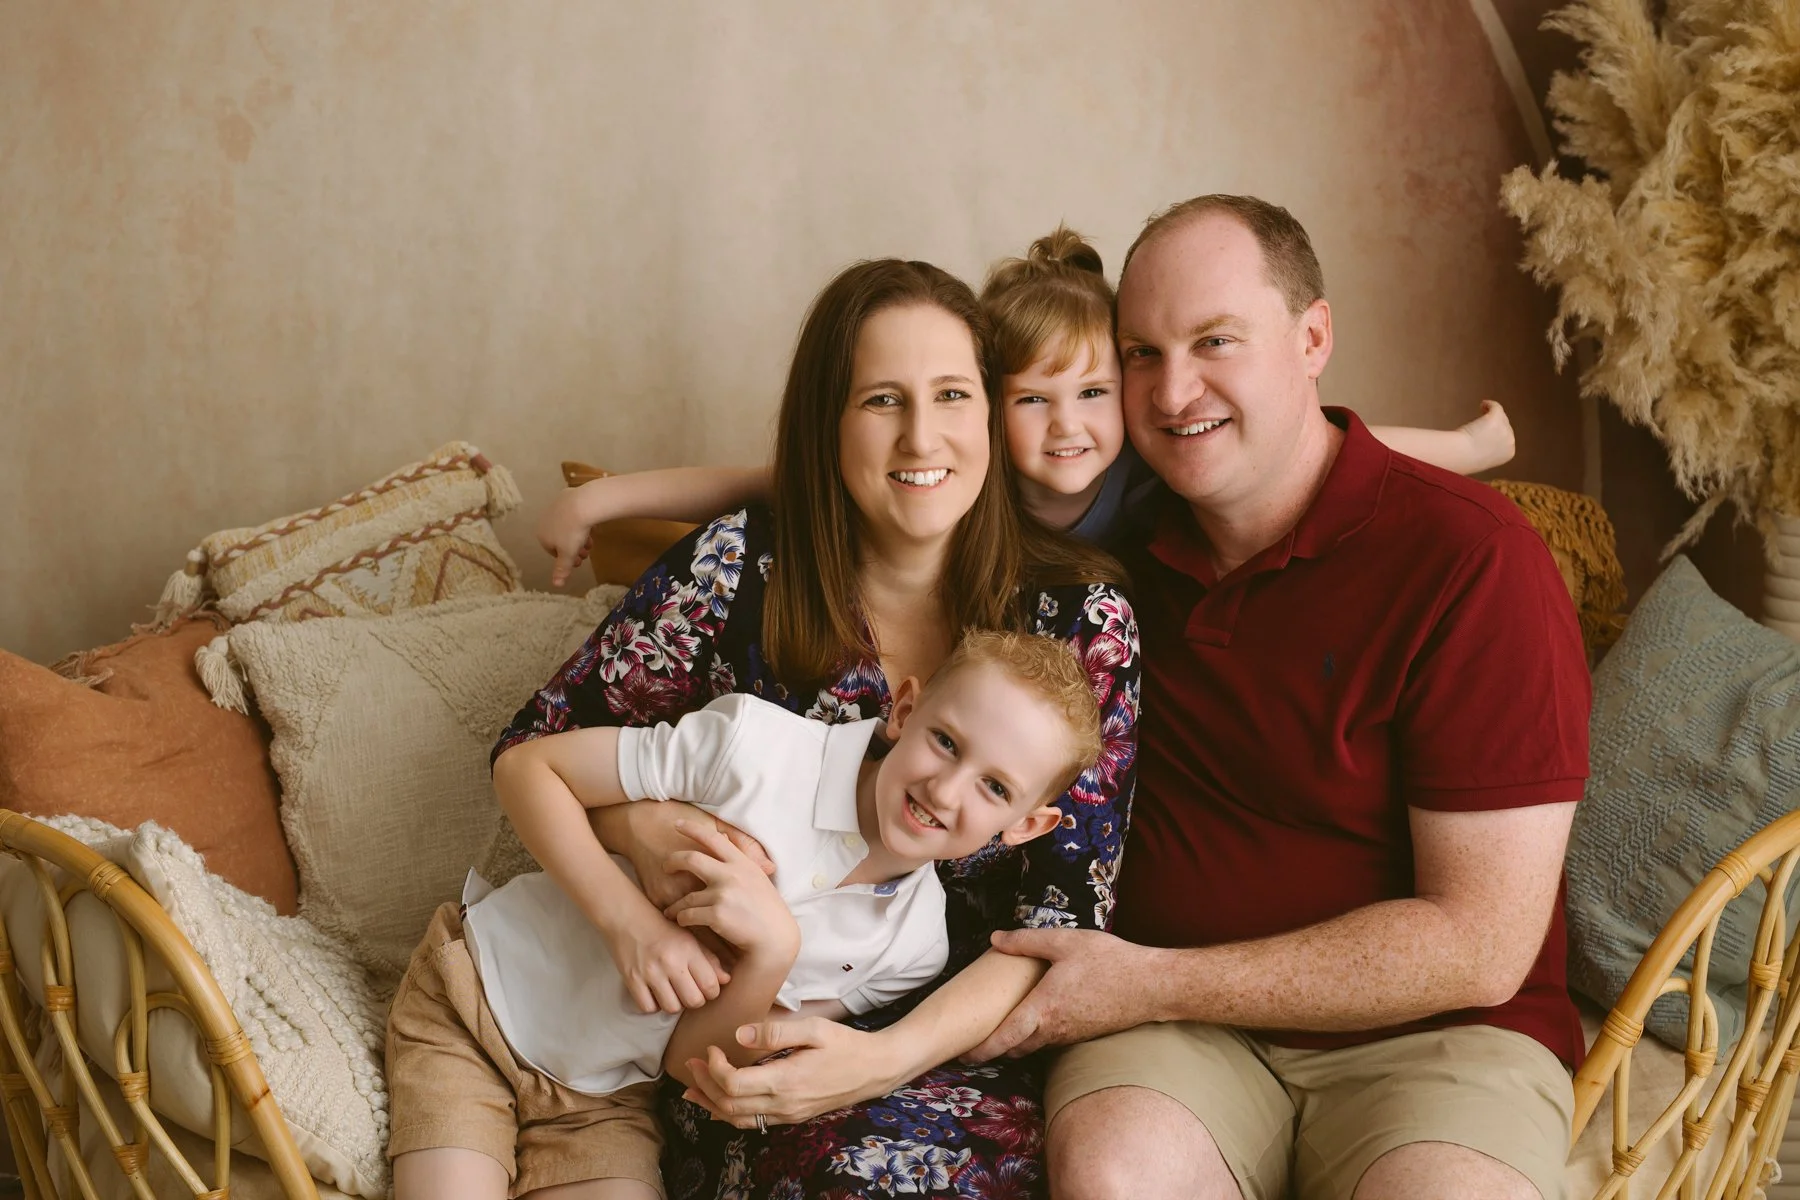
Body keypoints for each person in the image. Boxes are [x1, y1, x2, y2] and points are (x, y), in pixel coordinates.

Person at [968, 195, 1591, 1200]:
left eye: (1216, 341)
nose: (1173, 391)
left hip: (1436, 1045)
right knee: (1117, 1178)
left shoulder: (1472, 562)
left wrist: (1146, 979)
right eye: (1140, 353)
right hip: (1177, 1041)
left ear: (1312, 337)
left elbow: (1481, 944)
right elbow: (864, 479)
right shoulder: (1098, 543)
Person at [489, 257, 1141, 1199]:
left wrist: (886, 1059)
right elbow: (535, 753)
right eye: (882, 400)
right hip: (741, 1032)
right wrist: (636, 828)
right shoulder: (736, 568)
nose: (923, 435)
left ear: (990, 418)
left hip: (958, 1042)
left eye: (953, 394)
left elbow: (1061, 925)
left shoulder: (1082, 621)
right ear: (828, 426)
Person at [385, 630, 1099, 1200]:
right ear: (906, 710)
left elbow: (688, 1063)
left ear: (1026, 825)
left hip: (605, 1098)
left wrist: (772, 955)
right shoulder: (755, 747)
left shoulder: (910, 947)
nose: (947, 788)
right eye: (946, 741)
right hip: (478, 999)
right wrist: (629, 925)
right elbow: (528, 771)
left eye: (994, 786)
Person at [534, 228, 1514, 577]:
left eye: (1095, 391)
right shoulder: (964, 477)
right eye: (1033, 400)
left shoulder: (1152, 462)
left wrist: (1468, 448)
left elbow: (1331, 446)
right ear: (989, 412)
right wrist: (606, 498)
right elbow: (776, 478)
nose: (1070, 425)